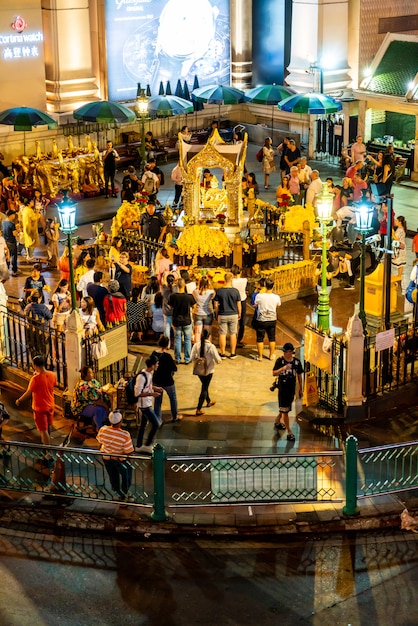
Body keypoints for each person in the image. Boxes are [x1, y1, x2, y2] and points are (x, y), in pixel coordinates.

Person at [16, 355, 56, 446]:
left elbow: (28, 393)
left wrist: (19, 400)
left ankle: (48, 453)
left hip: (40, 408)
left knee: (43, 431)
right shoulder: (52, 375)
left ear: (34, 365)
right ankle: (48, 446)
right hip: (50, 405)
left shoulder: (35, 379)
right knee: (48, 427)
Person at [96, 410, 134, 502]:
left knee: (113, 477)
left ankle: (118, 493)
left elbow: (100, 441)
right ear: (121, 421)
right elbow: (128, 451)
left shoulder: (103, 429)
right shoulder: (125, 435)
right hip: (120, 460)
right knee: (126, 477)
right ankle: (124, 494)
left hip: (107, 458)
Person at [272, 343, 303, 441]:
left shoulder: (296, 363)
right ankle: (289, 432)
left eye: (286, 351)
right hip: (282, 390)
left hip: (291, 390)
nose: (285, 353)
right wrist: (283, 369)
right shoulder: (280, 361)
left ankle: (277, 421)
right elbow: (274, 373)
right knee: (285, 411)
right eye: (284, 351)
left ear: (291, 352)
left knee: (285, 408)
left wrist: (300, 388)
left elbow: (299, 375)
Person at [135, 354, 164, 453]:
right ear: (152, 365)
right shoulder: (141, 377)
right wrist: (152, 393)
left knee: (143, 425)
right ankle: (147, 444)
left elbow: (148, 386)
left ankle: (139, 445)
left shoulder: (148, 374)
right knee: (156, 424)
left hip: (147, 403)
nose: (158, 365)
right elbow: (137, 393)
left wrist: (156, 388)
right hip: (144, 406)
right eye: (157, 364)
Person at [152, 335, 183, 423]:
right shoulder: (168, 356)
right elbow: (174, 368)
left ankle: (158, 419)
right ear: (167, 344)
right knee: (173, 398)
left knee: (157, 401)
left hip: (157, 380)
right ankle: (174, 416)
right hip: (167, 380)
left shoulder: (154, 354)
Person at [190, 329, 222, 416]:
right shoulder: (211, 347)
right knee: (204, 388)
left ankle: (208, 401)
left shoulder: (196, 345)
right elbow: (218, 360)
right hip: (208, 371)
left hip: (199, 371)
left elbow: (191, 357)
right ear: (209, 336)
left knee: (205, 385)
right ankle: (198, 409)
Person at [71, 366, 110, 432]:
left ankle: (99, 423)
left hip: (92, 403)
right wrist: (106, 407)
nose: (93, 373)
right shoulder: (84, 386)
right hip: (82, 407)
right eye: (90, 372)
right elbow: (96, 400)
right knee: (100, 409)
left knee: (105, 405)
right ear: (85, 375)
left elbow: (99, 387)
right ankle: (99, 428)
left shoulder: (92, 381)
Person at [214, 271, 241, 360]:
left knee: (222, 333)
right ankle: (233, 353)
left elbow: (215, 305)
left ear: (224, 280)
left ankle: (222, 353)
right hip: (233, 314)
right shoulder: (235, 291)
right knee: (233, 333)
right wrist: (239, 313)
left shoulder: (219, 291)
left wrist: (217, 313)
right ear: (231, 279)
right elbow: (238, 304)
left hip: (222, 314)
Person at [168, 277, 196, 364]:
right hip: (187, 320)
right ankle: (187, 358)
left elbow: (169, 307)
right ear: (184, 285)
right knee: (187, 340)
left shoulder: (173, 296)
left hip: (176, 320)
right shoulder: (189, 296)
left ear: (177, 285)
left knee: (177, 339)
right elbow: (194, 306)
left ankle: (177, 358)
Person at [254, 278, 281, 361]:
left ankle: (260, 356)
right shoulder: (276, 297)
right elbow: (278, 305)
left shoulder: (259, 296)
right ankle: (271, 355)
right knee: (272, 338)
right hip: (272, 319)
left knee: (260, 338)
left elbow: (256, 304)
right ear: (273, 286)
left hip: (261, 319)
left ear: (265, 285)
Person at [139, 201, 167, 268]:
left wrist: (161, 236)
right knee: (147, 255)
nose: (150, 209)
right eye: (149, 207)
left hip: (155, 239)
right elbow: (140, 225)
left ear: (155, 208)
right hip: (146, 239)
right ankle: (147, 268)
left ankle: (156, 268)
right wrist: (140, 234)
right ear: (146, 207)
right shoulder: (143, 216)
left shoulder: (159, 216)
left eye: (152, 207)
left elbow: (164, 226)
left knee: (156, 255)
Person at [193, 275, 215, 345]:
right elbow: (213, 297)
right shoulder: (211, 292)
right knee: (208, 333)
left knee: (197, 332)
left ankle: (197, 349)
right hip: (208, 314)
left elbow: (194, 299)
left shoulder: (195, 291)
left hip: (198, 313)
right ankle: (208, 349)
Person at [231, 265, 247, 348]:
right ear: (240, 272)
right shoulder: (244, 280)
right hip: (242, 300)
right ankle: (239, 339)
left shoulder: (231, 282)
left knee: (234, 320)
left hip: (233, 301)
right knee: (242, 320)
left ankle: (233, 337)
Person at [2, 210, 20, 276]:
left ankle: (6, 270)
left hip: (6, 242)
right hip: (12, 242)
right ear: (11, 215)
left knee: (7, 256)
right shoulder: (11, 224)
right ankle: (14, 271)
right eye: (14, 215)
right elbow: (15, 234)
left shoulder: (3, 222)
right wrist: (18, 232)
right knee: (13, 257)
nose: (14, 216)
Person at [392, 216, 407, 292]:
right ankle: (399, 275)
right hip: (400, 247)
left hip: (400, 248)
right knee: (399, 263)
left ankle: (399, 275)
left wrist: (392, 232)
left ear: (400, 222)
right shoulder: (400, 229)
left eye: (397, 221)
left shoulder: (400, 230)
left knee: (400, 263)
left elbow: (396, 238)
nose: (395, 222)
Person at [162, 273, 177, 347]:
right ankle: (176, 344)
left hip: (166, 311)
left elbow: (163, 281)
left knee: (167, 328)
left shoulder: (164, 288)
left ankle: (167, 344)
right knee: (175, 329)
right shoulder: (176, 289)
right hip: (174, 312)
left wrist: (165, 274)